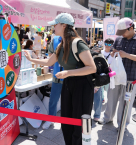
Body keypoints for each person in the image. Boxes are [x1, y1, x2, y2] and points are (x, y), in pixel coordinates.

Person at [24, 13, 96, 145]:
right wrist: (30, 59)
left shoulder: (77, 43)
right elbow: (49, 62)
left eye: (55, 24)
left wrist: (68, 72)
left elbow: (92, 68)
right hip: (68, 83)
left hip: (82, 85)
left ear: (64, 26)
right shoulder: (60, 44)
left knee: (78, 122)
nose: (52, 27)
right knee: (66, 119)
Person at [98, 18, 136, 131]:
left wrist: (126, 55)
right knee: (111, 98)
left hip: (131, 78)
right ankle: (107, 118)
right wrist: (112, 53)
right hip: (116, 75)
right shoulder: (119, 39)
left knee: (125, 102)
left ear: (131, 28)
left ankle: (122, 124)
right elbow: (112, 51)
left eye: (124, 32)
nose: (122, 35)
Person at [41, 35, 63, 129]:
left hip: (70, 77)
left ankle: (67, 121)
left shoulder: (73, 39)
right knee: (53, 100)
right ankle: (50, 119)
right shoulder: (54, 39)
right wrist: (57, 56)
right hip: (57, 75)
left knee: (69, 102)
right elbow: (50, 55)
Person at [93, 38, 114, 122]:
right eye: (106, 43)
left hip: (109, 76)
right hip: (100, 75)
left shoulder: (113, 54)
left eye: (110, 44)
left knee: (109, 92)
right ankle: (97, 114)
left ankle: (108, 109)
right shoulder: (100, 52)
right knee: (99, 93)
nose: (107, 45)